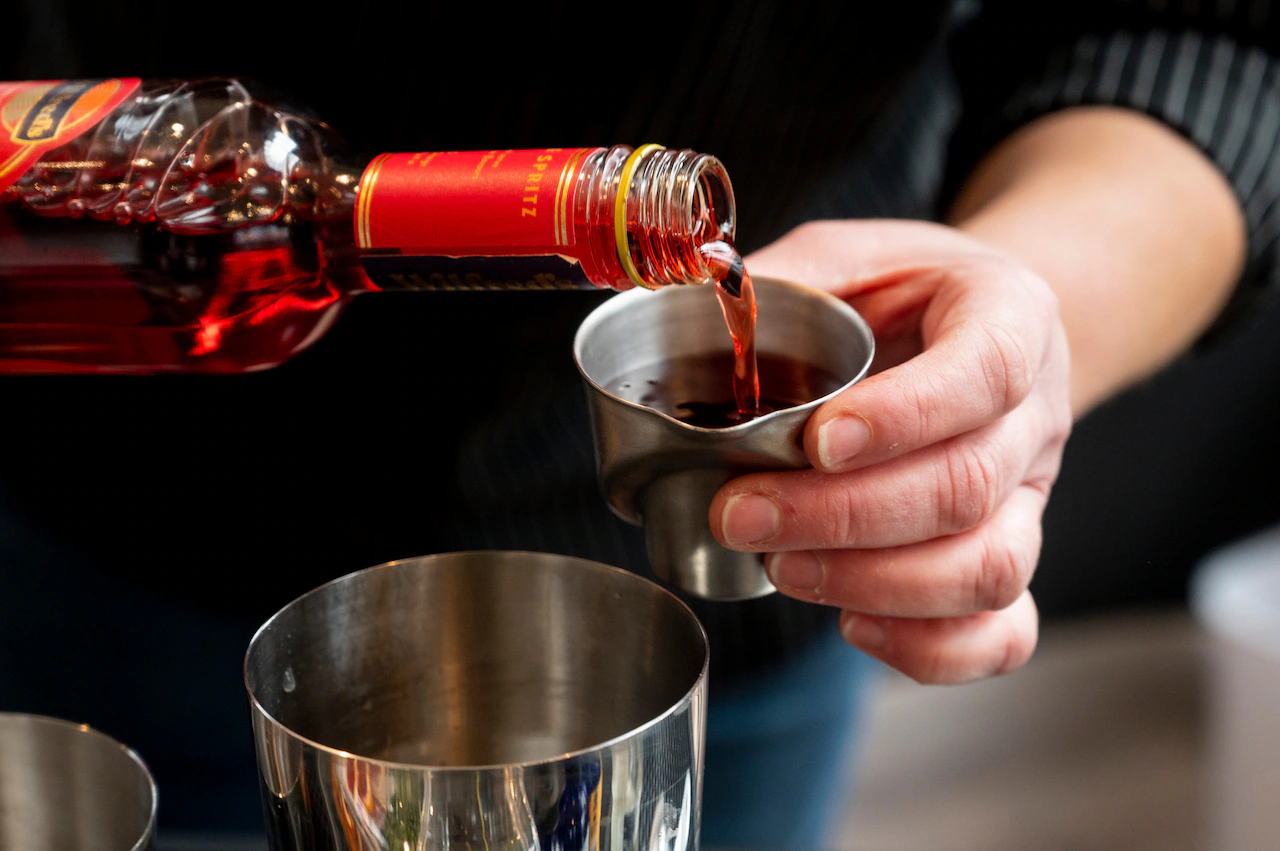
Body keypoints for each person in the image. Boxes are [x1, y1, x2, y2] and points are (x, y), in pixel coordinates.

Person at [4, 1, 1280, 848]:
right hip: (119, 546)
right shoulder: (238, 198)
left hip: (727, 643)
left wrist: (1022, 313)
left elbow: (1208, 28)